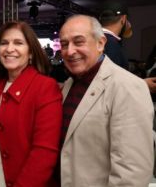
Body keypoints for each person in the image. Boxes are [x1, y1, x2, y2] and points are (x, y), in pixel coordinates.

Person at [59, 14, 154, 186]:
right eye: (64, 44)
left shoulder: (128, 87)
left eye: (79, 42)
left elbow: (132, 173)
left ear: (101, 43)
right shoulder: (70, 84)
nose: (70, 51)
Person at [0, 21, 62, 187]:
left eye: (18, 43)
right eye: (4, 43)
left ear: (31, 52)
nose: (9, 49)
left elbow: (44, 154)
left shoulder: (45, 87)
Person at [99, 0, 156, 95]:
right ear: (123, 19)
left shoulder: (96, 40)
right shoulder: (112, 45)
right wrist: (143, 84)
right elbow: (110, 85)